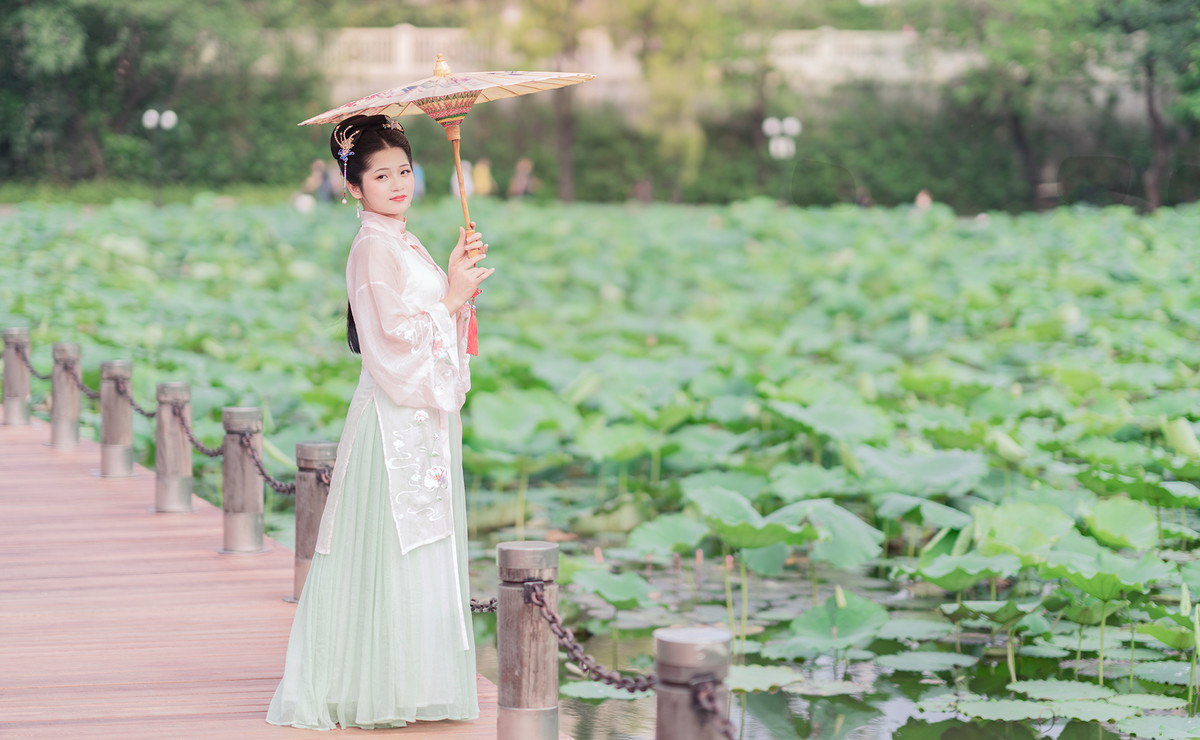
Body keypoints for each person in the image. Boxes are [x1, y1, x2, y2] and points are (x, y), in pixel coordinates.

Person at [267, 113, 494, 731]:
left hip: (417, 415)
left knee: (416, 544)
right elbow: (386, 341)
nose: (398, 183)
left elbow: (428, 313)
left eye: (403, 170)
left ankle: (406, 686)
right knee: (390, 546)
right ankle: (370, 687)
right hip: (392, 419)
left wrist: (454, 275)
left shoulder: (399, 239)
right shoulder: (372, 246)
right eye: (382, 174)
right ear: (354, 185)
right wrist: (449, 298)